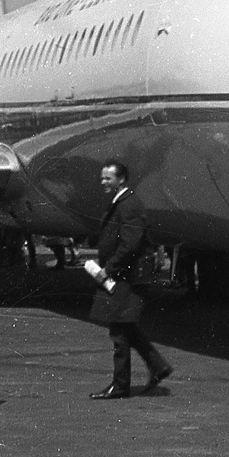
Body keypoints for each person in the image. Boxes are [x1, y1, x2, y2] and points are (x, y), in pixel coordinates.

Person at [87, 160, 172, 401]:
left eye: (108, 178)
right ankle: (157, 366)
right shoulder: (122, 202)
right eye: (102, 178)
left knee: (119, 329)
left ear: (121, 179)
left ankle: (121, 385)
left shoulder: (129, 204)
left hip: (128, 276)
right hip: (125, 274)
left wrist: (109, 269)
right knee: (125, 325)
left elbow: (130, 243)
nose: (103, 182)